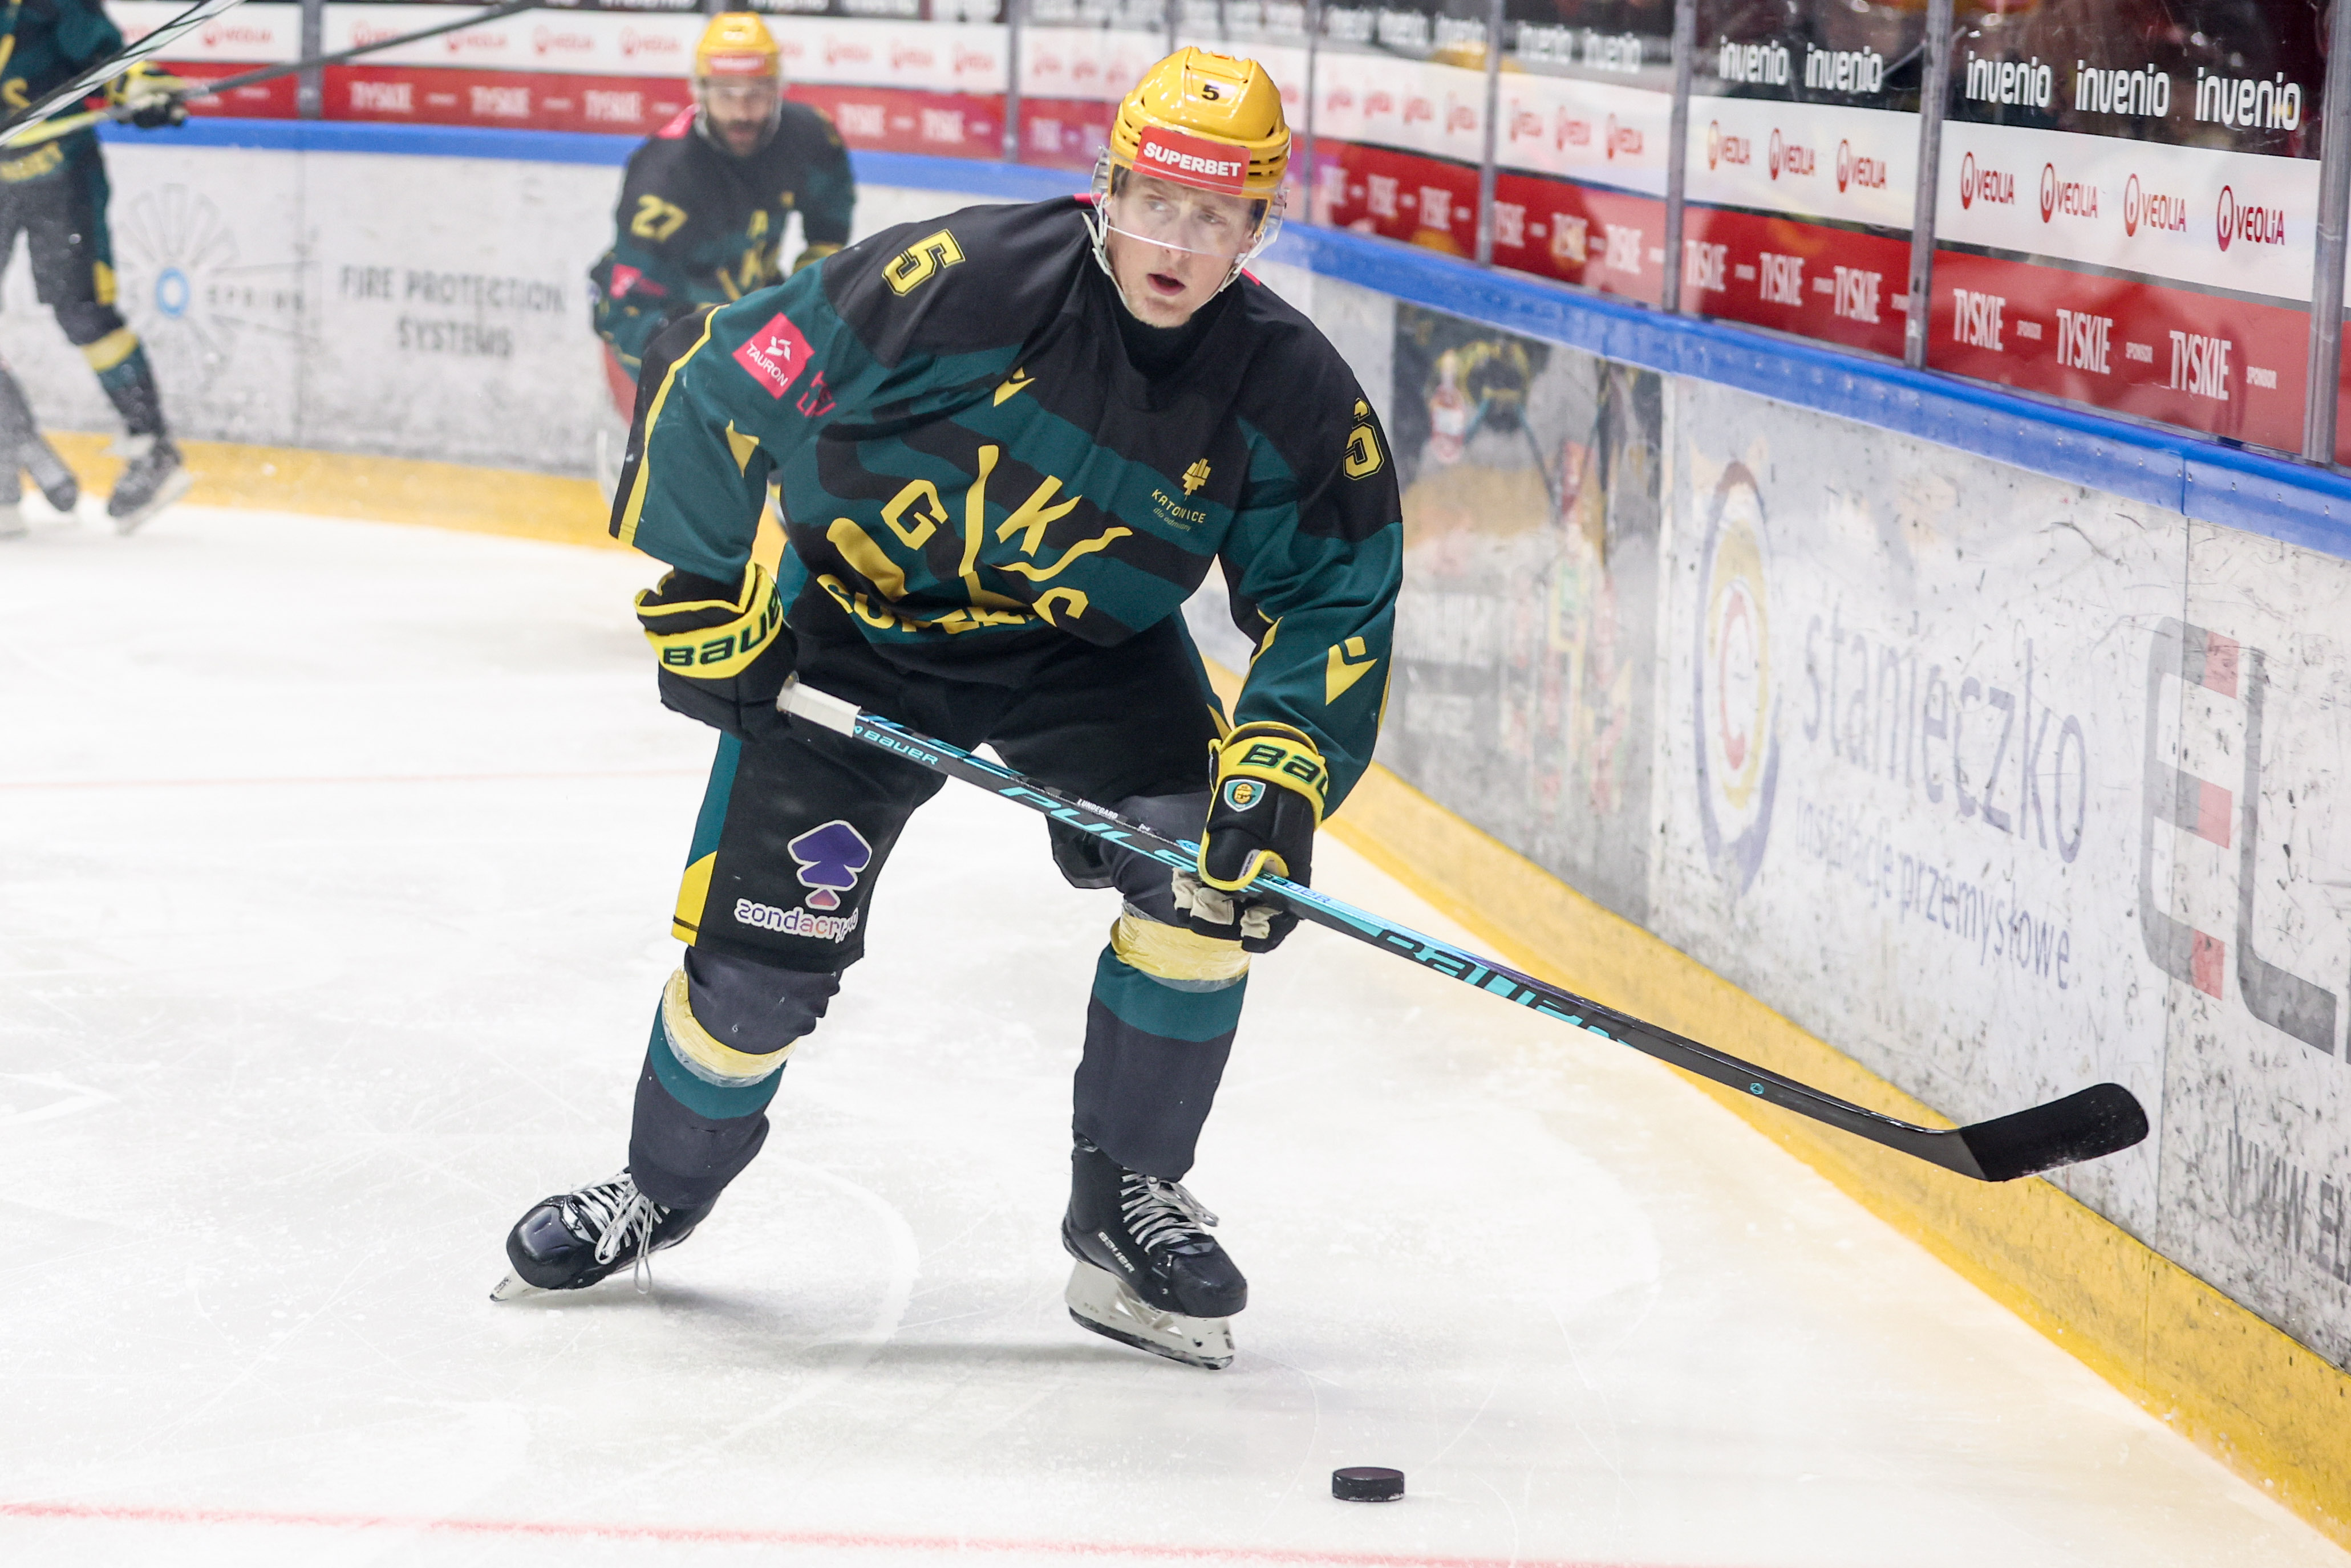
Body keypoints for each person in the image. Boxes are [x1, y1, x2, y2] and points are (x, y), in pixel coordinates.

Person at [497, 49, 1401, 1371]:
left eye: (1214, 217)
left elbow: (1333, 591)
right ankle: (659, 1187)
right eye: (1156, 201)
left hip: (1089, 655)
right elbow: (726, 372)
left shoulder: (1290, 390)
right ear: (1107, 188)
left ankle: (1125, 1202)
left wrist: (1278, 770)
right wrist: (701, 588)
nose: (1176, 243)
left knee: (1200, 880)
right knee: (755, 978)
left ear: (1258, 226)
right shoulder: (965, 280)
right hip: (858, 634)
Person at [589, 10, 854, 412]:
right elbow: (629, 310)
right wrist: (717, 372)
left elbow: (829, 222)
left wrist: (806, 296)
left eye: (756, 94)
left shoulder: (810, 137)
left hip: (745, 318)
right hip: (650, 335)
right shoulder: (663, 179)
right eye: (726, 95)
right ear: (699, 92)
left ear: (778, 89)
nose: (742, 113)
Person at [0, 3, 192, 534]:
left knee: (83, 314)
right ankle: (7, 452)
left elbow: (110, 62)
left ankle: (153, 448)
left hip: (61, 179)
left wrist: (139, 87)